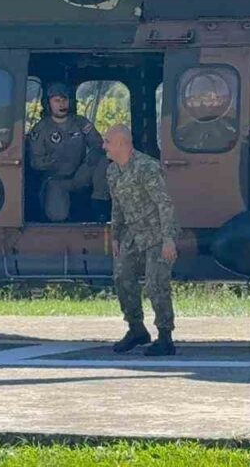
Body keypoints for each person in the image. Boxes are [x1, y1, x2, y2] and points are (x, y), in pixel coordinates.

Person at [103, 125, 180, 356]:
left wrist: (168, 240)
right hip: (132, 233)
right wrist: (115, 236)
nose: (103, 146)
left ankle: (165, 337)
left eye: (107, 141)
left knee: (156, 284)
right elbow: (117, 206)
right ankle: (136, 329)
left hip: (157, 233)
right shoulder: (112, 171)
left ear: (121, 144)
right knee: (122, 278)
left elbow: (164, 204)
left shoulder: (147, 167)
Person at [27, 82, 109, 222]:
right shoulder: (41, 129)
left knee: (104, 160)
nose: (61, 104)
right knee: (58, 216)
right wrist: (53, 160)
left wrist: (92, 156)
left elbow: (99, 145)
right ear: (48, 103)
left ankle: (100, 205)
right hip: (56, 180)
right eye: (57, 101)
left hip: (80, 174)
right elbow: (36, 162)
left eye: (64, 100)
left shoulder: (81, 122)